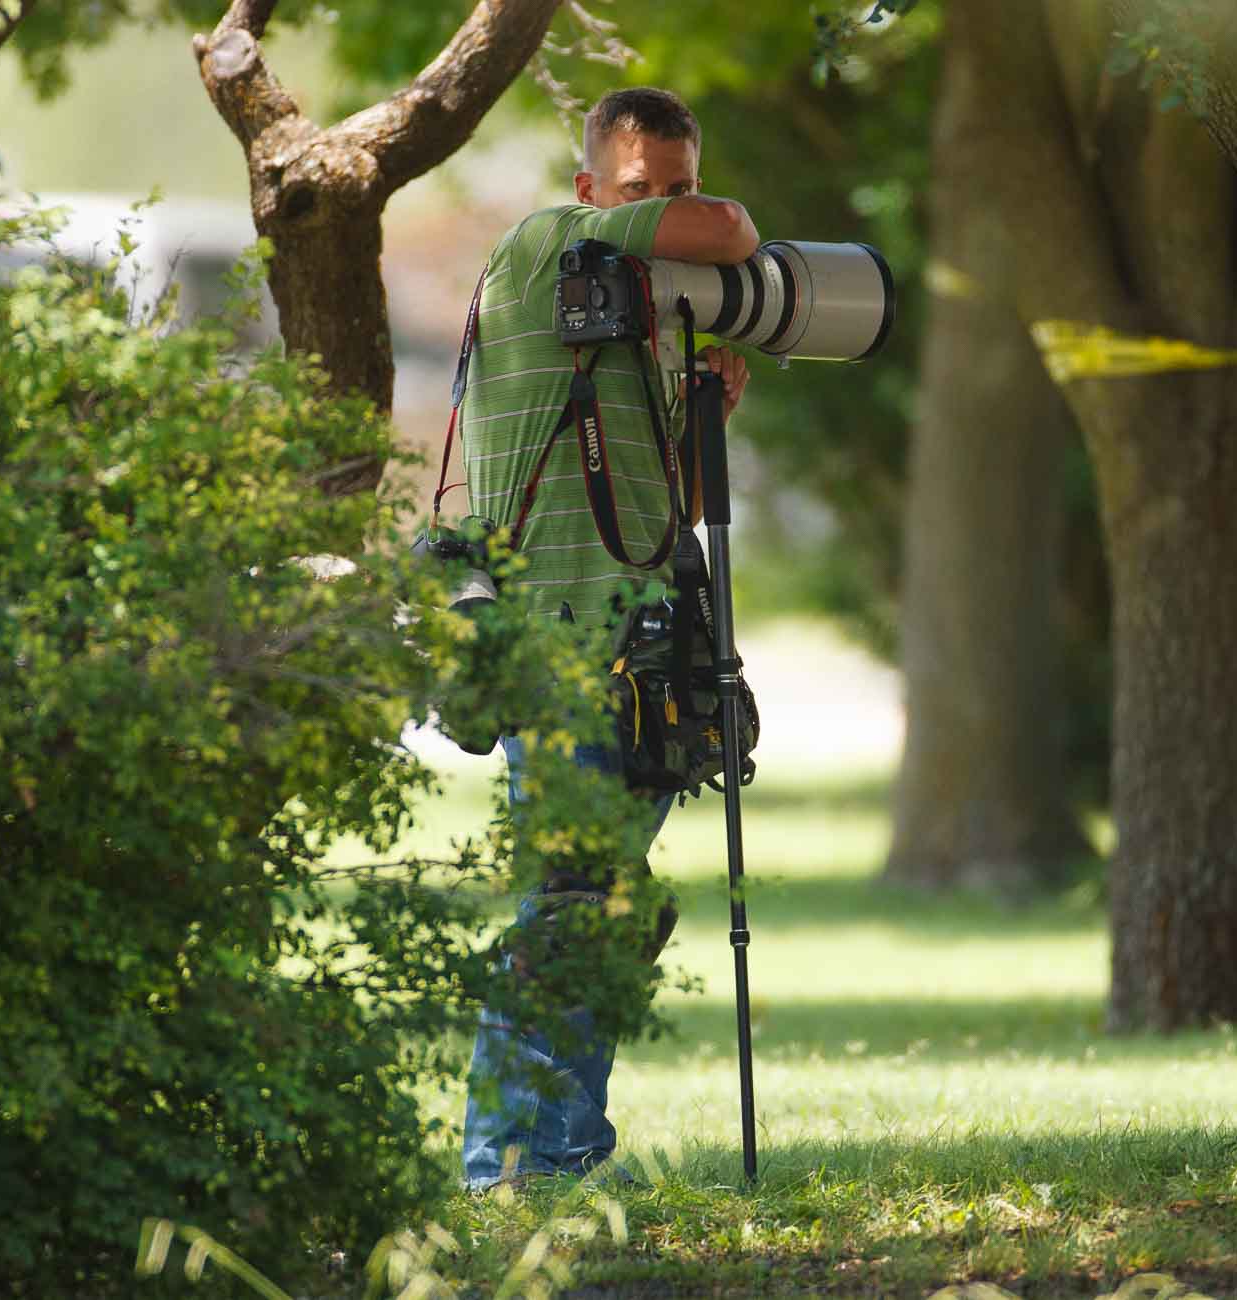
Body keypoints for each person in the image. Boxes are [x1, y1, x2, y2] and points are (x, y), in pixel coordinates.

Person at [455, 87, 756, 1189]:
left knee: (607, 911)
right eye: (646, 193)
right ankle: (507, 1168)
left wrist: (703, 416)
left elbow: (650, 510)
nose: (673, 211)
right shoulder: (547, 244)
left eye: (680, 185)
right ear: (593, 190)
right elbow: (727, 234)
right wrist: (708, 221)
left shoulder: (630, 324)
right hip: (558, 647)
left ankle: (565, 1152)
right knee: (570, 909)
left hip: (640, 652)